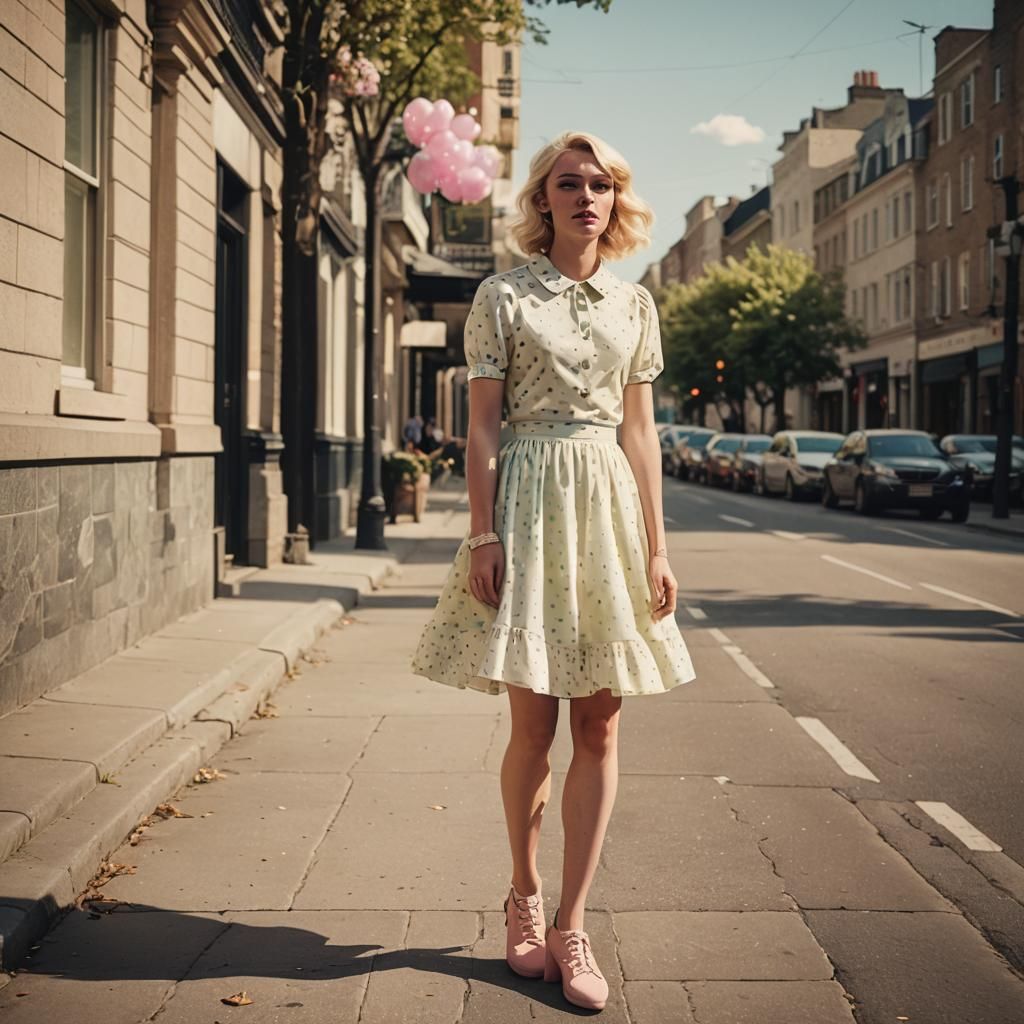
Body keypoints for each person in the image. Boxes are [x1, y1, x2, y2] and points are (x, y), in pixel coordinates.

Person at [410, 131, 697, 1012]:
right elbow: (485, 427)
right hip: (529, 508)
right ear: (543, 201)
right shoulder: (501, 296)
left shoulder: (635, 305)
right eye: (567, 183)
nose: (584, 196)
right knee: (532, 728)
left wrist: (656, 543)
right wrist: (483, 535)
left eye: (600, 183)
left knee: (601, 727)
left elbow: (640, 434)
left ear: (617, 200)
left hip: (605, 510)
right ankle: (523, 899)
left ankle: (575, 924)